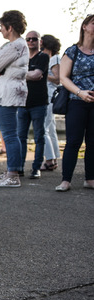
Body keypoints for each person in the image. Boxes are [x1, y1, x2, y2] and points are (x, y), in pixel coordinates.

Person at [0, 10, 29, 188]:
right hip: (8, 94)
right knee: (11, 135)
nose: (0, 31)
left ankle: (13, 175)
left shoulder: (15, 45)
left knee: (10, 135)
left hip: (7, 95)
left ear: (9, 27)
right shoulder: (16, 45)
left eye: (2, 27)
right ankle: (12, 170)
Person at [55, 14, 94, 192]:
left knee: (93, 142)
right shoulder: (72, 51)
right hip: (77, 102)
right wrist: (80, 92)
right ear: (84, 27)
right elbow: (63, 77)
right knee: (73, 141)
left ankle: (90, 179)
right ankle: (66, 180)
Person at [17, 30, 49, 179]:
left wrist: (21, 75)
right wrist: (29, 75)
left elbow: (37, 75)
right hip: (22, 103)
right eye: (28, 39)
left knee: (39, 137)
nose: (31, 42)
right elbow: (32, 75)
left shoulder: (43, 57)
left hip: (39, 103)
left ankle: (36, 168)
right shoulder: (22, 58)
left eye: (34, 39)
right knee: (20, 137)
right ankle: (20, 167)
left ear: (39, 41)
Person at [40, 34, 61, 171]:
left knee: (43, 128)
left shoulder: (54, 58)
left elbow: (57, 78)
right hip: (48, 96)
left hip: (48, 96)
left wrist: (41, 74)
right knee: (50, 128)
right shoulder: (50, 58)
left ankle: (48, 160)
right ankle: (53, 158)